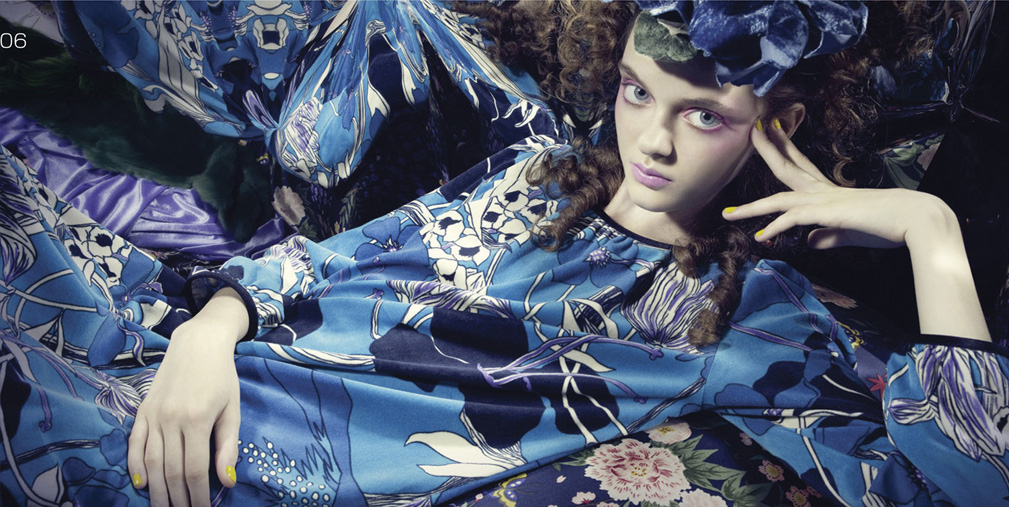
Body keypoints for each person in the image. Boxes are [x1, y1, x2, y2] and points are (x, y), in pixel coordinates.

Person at [0, 1, 1004, 506]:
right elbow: (326, 264)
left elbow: (964, 484)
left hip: (247, 458)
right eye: (638, 92)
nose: (652, 141)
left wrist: (932, 231)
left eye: (703, 115)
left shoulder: (749, 318)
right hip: (195, 349)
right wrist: (209, 332)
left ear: (776, 126)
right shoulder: (536, 173)